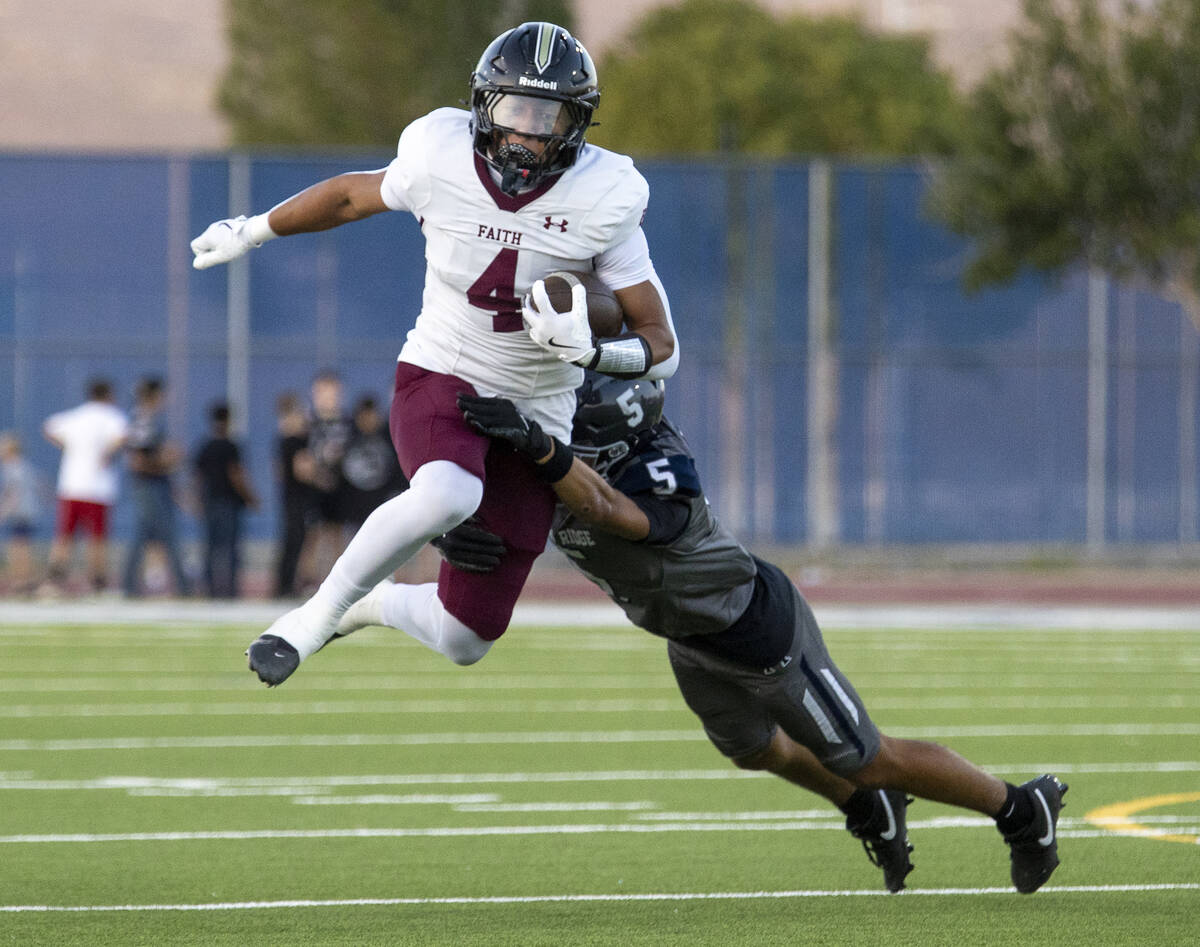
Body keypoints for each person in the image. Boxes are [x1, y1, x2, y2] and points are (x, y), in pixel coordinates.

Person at [338, 375, 1069, 895]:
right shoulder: (560, 457)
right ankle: (860, 804)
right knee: (756, 751)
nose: (557, 428)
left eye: (570, 422)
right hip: (687, 636)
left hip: (760, 633)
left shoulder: (658, 475)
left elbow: (613, 512)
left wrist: (542, 451)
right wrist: (458, 527)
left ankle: (1019, 806)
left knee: (870, 755)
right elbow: (475, 482)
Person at [191, 22, 679, 684]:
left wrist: (594, 350)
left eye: (548, 116)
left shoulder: (606, 194)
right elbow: (346, 196)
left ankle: (371, 603)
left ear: (577, 122)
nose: (528, 133)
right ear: (483, 107)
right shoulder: (437, 155)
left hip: (540, 407)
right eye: (514, 111)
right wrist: (250, 230)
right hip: (445, 367)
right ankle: (312, 616)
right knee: (448, 491)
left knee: (465, 635)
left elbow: (661, 347)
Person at [41, 378, 129, 594]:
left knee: (64, 536)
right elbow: (122, 436)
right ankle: (97, 582)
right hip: (98, 488)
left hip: (71, 486)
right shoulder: (112, 416)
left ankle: (54, 582)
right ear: (109, 395)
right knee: (97, 537)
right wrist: (106, 453)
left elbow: (49, 428)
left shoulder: (76, 416)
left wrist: (69, 447)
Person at [121, 377, 190, 598]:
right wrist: (166, 463)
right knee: (165, 535)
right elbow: (137, 461)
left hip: (154, 485)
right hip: (149, 487)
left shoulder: (147, 419)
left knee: (147, 535)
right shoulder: (143, 419)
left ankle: (130, 586)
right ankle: (183, 587)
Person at [193, 401, 260, 598]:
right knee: (230, 549)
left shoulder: (205, 446)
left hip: (210, 502)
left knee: (211, 548)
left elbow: (198, 477)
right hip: (229, 503)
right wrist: (250, 497)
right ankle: (230, 591)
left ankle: (210, 589)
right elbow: (236, 474)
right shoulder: (231, 446)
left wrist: (197, 501)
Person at [302, 370, 354, 579]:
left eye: (332, 391)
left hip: (340, 487)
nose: (328, 397)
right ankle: (306, 581)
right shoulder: (307, 422)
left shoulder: (348, 423)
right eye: (322, 391)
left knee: (337, 534)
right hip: (313, 487)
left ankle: (337, 581)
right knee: (311, 536)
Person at [340, 394, 409, 529]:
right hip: (356, 507)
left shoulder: (391, 438)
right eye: (364, 416)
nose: (368, 420)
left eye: (371, 415)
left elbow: (400, 473)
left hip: (385, 505)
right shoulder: (348, 439)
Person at [272, 391, 314, 598]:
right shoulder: (295, 441)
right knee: (295, 540)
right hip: (298, 497)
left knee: (291, 540)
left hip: (289, 495)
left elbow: (279, 471)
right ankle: (285, 585)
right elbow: (303, 471)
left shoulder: (282, 441)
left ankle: (283, 584)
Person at [0, 432, 42, 595]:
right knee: (24, 546)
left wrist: (3, 512)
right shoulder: (24, 466)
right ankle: (24, 579)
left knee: (18, 547)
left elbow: (13, 494)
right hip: (28, 511)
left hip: (20, 513)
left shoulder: (12, 468)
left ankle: (21, 580)